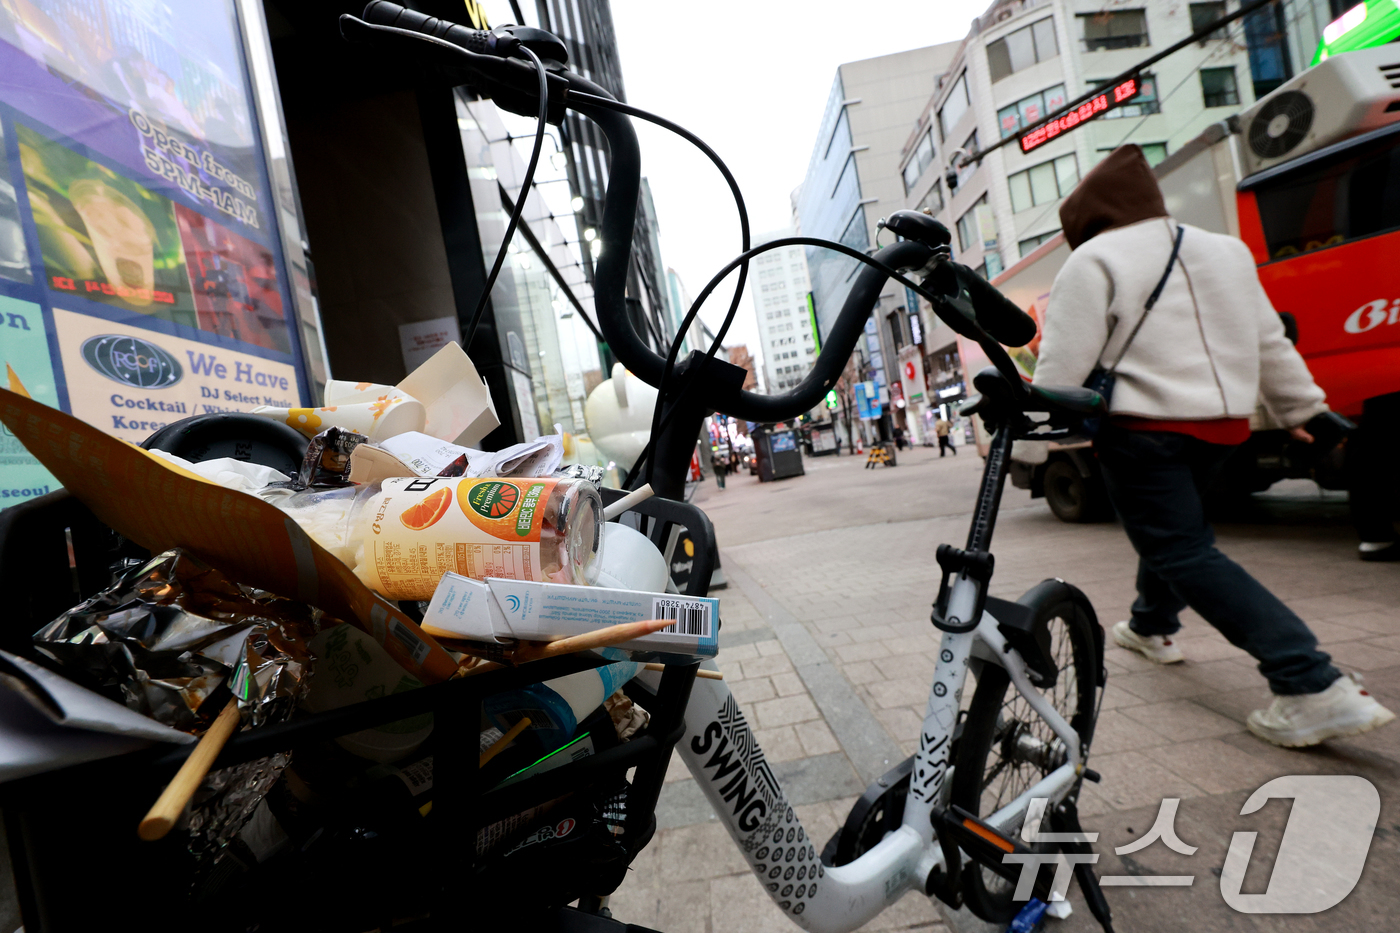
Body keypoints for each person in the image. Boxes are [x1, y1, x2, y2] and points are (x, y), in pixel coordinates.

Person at [1033, 144, 1394, 748]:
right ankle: (1150, 625)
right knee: (1177, 535)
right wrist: (1307, 411)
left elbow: (1062, 367)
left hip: (1143, 430)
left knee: (1180, 547)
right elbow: (1269, 341)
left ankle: (1309, 682)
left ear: (1087, 218)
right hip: (1224, 427)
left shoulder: (1094, 260)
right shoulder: (1226, 250)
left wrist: (1036, 419)